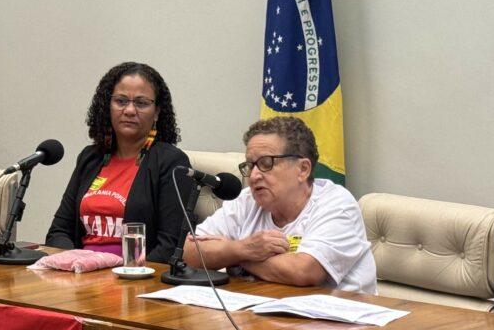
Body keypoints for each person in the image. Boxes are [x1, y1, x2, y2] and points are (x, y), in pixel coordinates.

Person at [183, 116, 376, 294]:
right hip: (261, 313)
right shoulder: (247, 200)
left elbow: (303, 271)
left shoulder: (336, 204)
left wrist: (232, 253)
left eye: (266, 163)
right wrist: (242, 249)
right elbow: (189, 253)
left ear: (303, 169)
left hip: (337, 324)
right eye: (250, 165)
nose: (255, 175)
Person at [45, 62, 190, 263]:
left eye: (141, 103)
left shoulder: (171, 162)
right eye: (121, 101)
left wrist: (126, 271)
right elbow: (59, 231)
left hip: (134, 278)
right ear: (108, 106)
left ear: (157, 112)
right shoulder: (91, 157)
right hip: (81, 274)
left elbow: (170, 245)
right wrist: (73, 263)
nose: (130, 110)